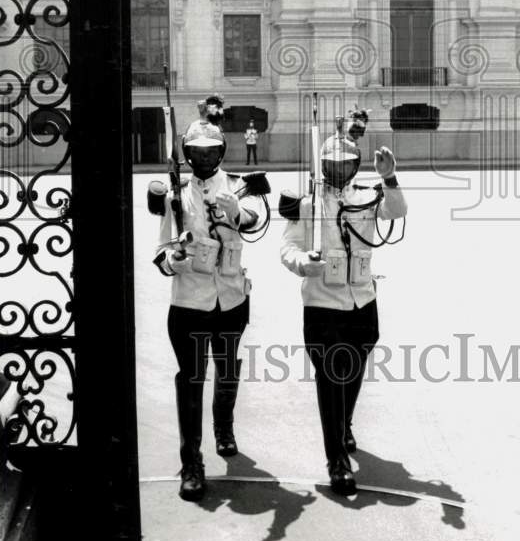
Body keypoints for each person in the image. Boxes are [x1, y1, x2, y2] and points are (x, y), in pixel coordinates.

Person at [279, 110, 407, 495]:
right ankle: (336, 459)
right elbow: (288, 247)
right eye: (331, 165)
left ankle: (343, 425)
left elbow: (398, 212)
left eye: (346, 164)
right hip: (322, 304)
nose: (338, 170)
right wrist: (304, 263)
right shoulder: (306, 203)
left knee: (352, 376)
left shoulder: (368, 197)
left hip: (362, 301)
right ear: (322, 165)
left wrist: (389, 177)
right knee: (330, 379)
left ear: (355, 165)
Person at [153, 95, 266, 502]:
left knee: (227, 368)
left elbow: (256, 222)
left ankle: (224, 427)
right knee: (191, 378)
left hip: (232, 298)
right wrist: (174, 259)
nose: (203, 158)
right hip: (189, 302)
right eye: (196, 152)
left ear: (221, 152)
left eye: (211, 151)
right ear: (187, 154)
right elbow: (162, 249)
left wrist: (236, 213)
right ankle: (191, 462)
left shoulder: (238, 185)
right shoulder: (175, 194)